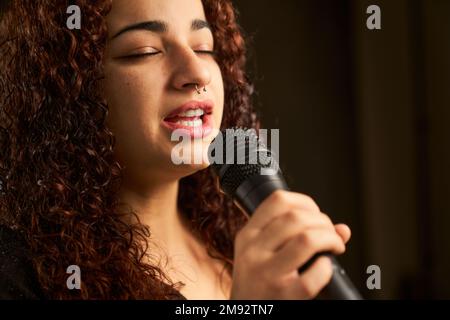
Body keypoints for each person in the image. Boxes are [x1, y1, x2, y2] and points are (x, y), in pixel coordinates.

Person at [0, 0, 351, 300]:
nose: (196, 72)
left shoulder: (237, 239)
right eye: (145, 51)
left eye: (203, 47)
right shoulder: (21, 274)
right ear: (69, 87)